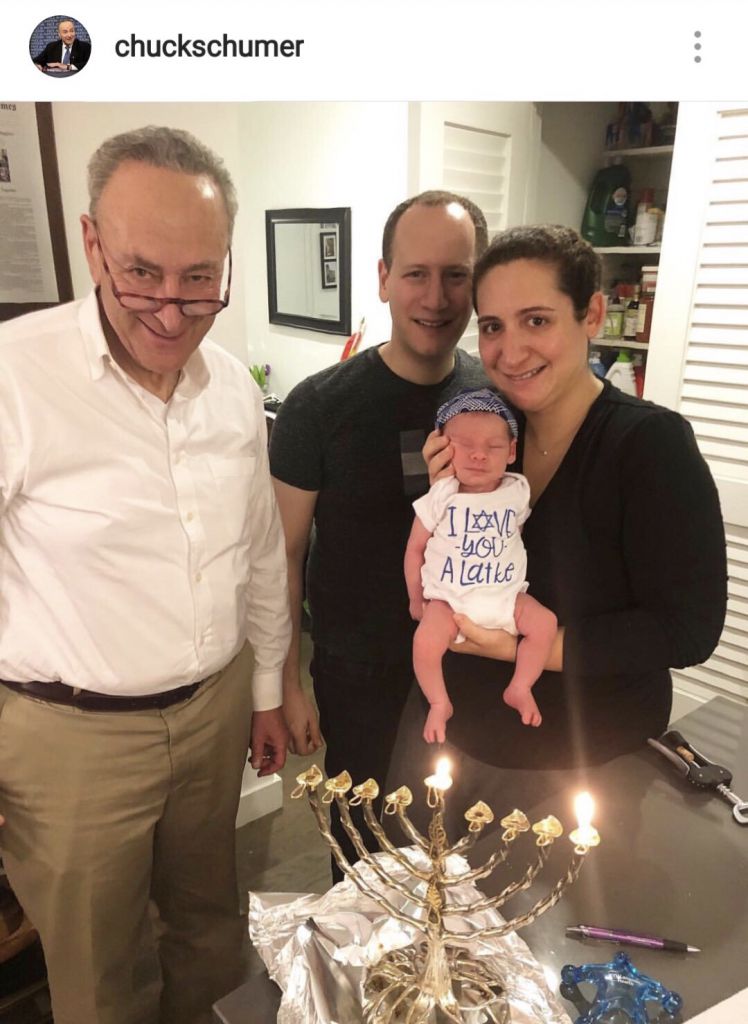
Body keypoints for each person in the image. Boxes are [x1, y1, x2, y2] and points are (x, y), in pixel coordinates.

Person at [0, 126, 291, 1024]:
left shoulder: (233, 387)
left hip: (213, 712)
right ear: (92, 245)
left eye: (199, 277)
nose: (171, 309)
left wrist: (267, 691)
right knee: (101, 970)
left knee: (210, 928)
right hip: (69, 739)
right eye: (141, 273)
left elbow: (259, 549)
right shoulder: (14, 375)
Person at [388, 224, 727, 832]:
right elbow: (440, 557)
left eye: (537, 320)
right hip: (448, 736)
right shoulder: (484, 431)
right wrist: (443, 495)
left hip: (580, 762)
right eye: (493, 326)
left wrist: (526, 650)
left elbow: (688, 629)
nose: (510, 351)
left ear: (591, 314)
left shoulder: (649, 445)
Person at [269, 191, 488, 878]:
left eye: (456, 275)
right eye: (416, 273)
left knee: (462, 853)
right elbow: (283, 557)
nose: (436, 297)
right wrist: (285, 685)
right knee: (365, 859)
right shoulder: (317, 407)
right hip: (359, 674)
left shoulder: (497, 396)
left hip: (473, 666)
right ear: (384, 277)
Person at [404, 387, 557, 742]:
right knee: (424, 642)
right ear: (444, 447)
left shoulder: (517, 490)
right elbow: (415, 548)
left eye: (494, 447)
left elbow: (515, 536)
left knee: (545, 623)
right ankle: (439, 702)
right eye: (464, 445)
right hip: (449, 600)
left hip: (505, 596)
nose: (478, 455)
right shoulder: (441, 495)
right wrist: (415, 598)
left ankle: (520, 686)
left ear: (512, 451)